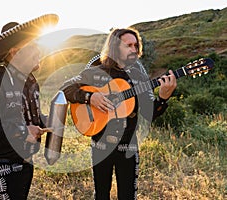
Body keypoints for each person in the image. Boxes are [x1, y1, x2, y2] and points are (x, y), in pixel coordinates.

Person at [60, 27, 177, 199]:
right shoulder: (95, 71)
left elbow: (149, 114)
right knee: (101, 194)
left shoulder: (139, 77)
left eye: (136, 45)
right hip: (100, 146)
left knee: (128, 195)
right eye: (128, 45)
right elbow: (65, 88)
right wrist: (89, 97)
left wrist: (163, 99)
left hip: (128, 147)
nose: (134, 49)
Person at [0, 14, 58, 199]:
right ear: (15, 52)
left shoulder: (31, 82)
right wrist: (24, 131)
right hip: (1, 166)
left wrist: (50, 120)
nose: (39, 52)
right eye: (33, 47)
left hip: (26, 163)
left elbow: (32, 118)